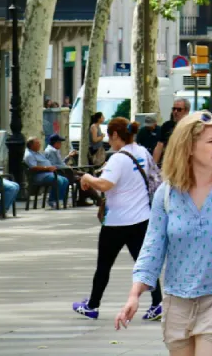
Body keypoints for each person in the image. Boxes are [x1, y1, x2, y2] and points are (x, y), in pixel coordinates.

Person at [116, 110, 212, 353]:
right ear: (189, 147)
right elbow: (153, 246)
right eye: (211, 142)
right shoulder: (168, 193)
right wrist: (134, 295)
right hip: (177, 303)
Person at [73, 118, 162, 321]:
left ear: (115, 135)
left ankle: (93, 305)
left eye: (110, 136)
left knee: (104, 265)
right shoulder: (142, 152)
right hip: (141, 219)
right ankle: (158, 302)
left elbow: (104, 184)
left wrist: (87, 178)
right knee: (145, 263)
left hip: (117, 222)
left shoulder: (118, 158)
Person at [25, 136, 69, 209]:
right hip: (40, 176)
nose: (39, 144)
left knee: (65, 180)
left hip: (48, 173)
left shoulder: (37, 153)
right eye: (37, 143)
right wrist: (47, 168)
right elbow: (33, 168)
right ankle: (52, 201)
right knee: (58, 180)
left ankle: (58, 200)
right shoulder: (29, 155)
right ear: (31, 145)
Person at [154, 99, 190, 166]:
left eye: (179, 109)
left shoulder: (191, 126)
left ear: (186, 111)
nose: (175, 112)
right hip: (168, 163)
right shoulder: (166, 126)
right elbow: (159, 145)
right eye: (174, 109)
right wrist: (154, 166)